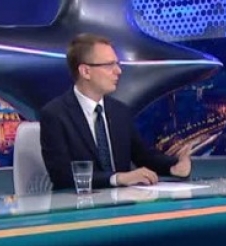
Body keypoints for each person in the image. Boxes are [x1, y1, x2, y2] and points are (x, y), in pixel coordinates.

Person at [40, 33, 191, 190]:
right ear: (85, 71)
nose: (118, 71)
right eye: (109, 65)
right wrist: (117, 178)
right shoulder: (55, 115)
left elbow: (143, 157)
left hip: (123, 202)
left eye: (117, 64)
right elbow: (62, 176)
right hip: (80, 203)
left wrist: (173, 166)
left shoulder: (120, 112)